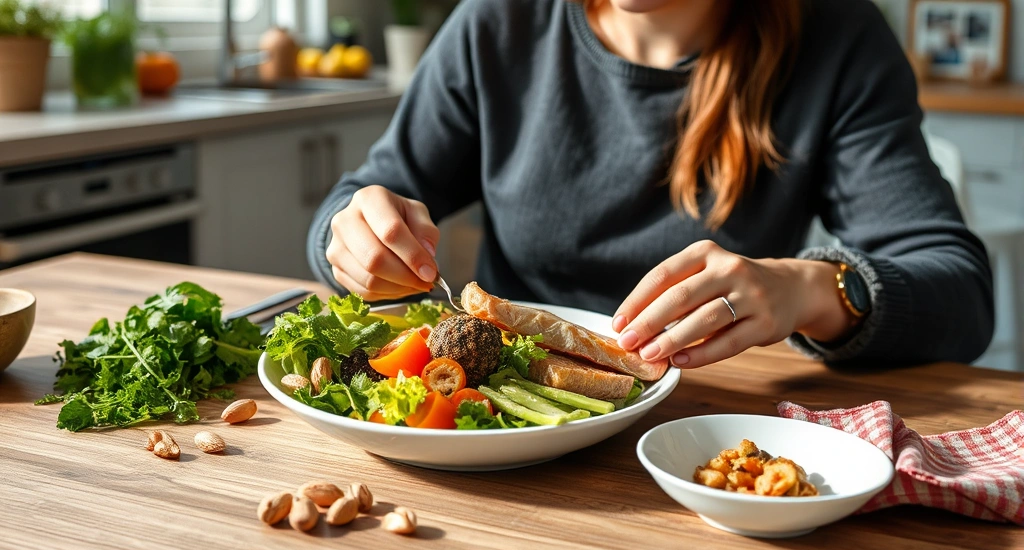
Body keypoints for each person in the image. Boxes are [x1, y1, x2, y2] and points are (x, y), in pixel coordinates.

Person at [307, 0, 994, 369]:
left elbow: (959, 292)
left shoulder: (836, 36)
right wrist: (351, 235)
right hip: (503, 416)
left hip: (702, 428)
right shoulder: (497, 21)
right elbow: (361, 199)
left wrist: (809, 289)